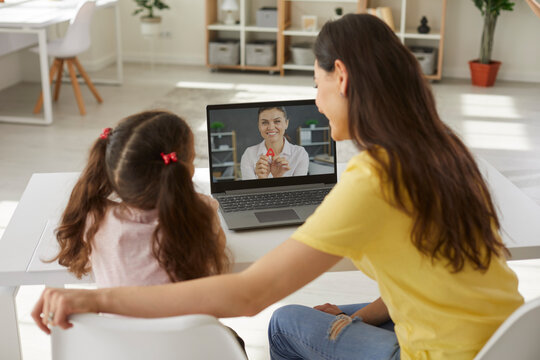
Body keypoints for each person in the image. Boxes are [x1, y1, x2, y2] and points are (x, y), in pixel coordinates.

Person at [33, 15, 523, 360]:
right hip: (512, 337)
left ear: (342, 77)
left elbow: (249, 294)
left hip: (444, 353)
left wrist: (95, 299)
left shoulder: (373, 178)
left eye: (316, 83)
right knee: (324, 313)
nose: (317, 99)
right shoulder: (445, 148)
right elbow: (431, 270)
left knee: (286, 323)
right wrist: (367, 315)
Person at [48, 110, 244, 351]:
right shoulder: (201, 212)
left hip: (121, 348)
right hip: (186, 347)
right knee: (230, 338)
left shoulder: (93, 218)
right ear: (184, 169)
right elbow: (218, 257)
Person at [240, 106, 309, 179]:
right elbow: (250, 190)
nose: (271, 127)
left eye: (277, 121)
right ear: (259, 126)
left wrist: (278, 177)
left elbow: (298, 189)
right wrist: (262, 179)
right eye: (264, 122)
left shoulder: (300, 154)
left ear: (286, 123)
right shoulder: (249, 154)